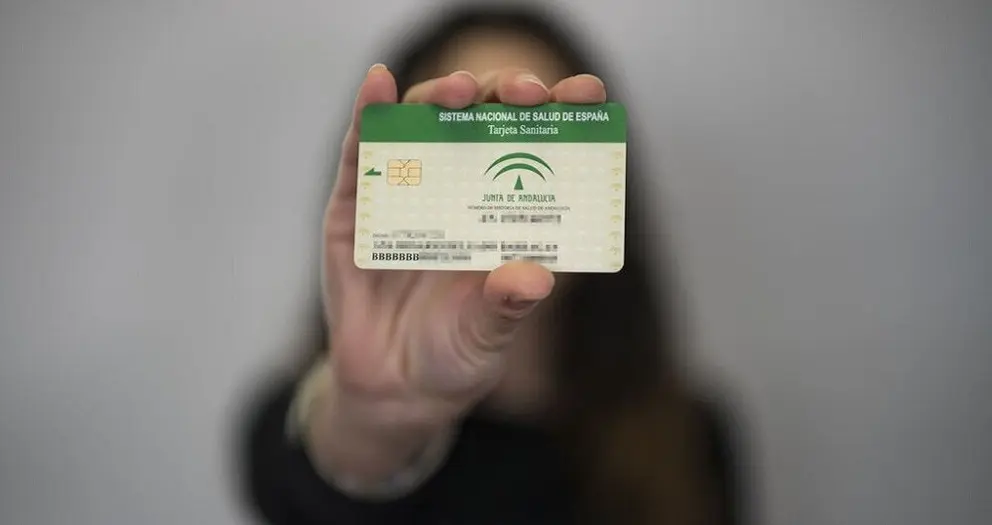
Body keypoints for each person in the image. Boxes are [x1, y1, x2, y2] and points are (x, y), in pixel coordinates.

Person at [240, 5, 743, 525]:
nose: (507, 176)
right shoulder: (296, 428)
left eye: (542, 135)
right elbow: (308, 481)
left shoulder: (690, 440)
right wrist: (373, 422)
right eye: (464, 143)